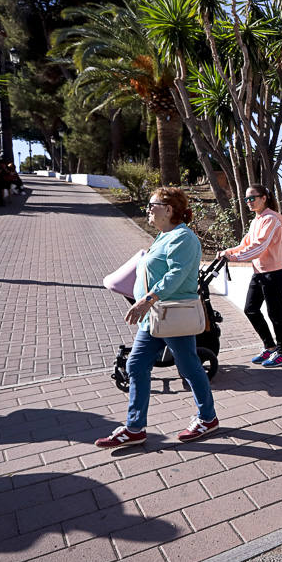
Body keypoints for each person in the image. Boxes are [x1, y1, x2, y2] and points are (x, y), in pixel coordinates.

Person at [96, 187, 219, 448]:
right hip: (153, 316)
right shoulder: (164, 236)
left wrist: (146, 299)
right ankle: (135, 428)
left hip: (170, 313)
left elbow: (175, 275)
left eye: (152, 205)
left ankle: (207, 418)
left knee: (188, 367)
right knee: (137, 365)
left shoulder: (183, 238)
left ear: (169, 209)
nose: (148, 210)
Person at [220, 184, 282, 367]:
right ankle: (270, 346)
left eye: (252, 198)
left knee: (275, 314)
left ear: (264, 198)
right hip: (259, 272)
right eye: (246, 199)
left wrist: (234, 257)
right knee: (250, 309)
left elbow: (260, 246)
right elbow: (246, 244)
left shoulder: (271, 220)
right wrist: (228, 251)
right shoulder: (257, 220)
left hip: (273, 273)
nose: (249, 202)